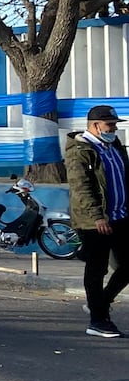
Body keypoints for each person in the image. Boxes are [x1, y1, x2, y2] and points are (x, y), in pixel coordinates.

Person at [65, 104, 129, 338]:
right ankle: (98, 320)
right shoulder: (80, 150)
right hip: (95, 221)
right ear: (94, 125)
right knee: (97, 269)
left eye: (114, 125)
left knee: (127, 265)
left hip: (120, 215)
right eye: (110, 125)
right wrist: (97, 216)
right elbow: (81, 187)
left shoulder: (114, 145)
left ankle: (100, 303)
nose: (114, 129)